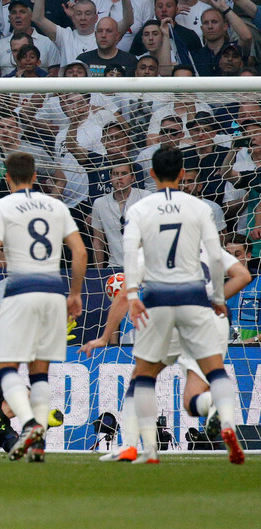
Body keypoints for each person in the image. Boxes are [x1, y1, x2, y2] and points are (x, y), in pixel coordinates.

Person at [120, 145, 243, 464]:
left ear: (150, 174)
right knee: (211, 375)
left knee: (142, 377)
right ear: (182, 174)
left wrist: (132, 295)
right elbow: (218, 258)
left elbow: (130, 251)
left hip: (159, 301)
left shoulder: (141, 209)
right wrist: (217, 297)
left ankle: (141, 448)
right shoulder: (198, 210)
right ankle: (221, 414)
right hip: (196, 303)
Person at [0, 151, 87, 463]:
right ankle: (38, 445)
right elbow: (80, 252)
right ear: (36, 176)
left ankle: (29, 425)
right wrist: (75, 293)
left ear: (6, 178)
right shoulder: (56, 205)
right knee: (40, 374)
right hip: (53, 292)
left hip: (21, 290)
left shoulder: (1, 205)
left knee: (8, 367)